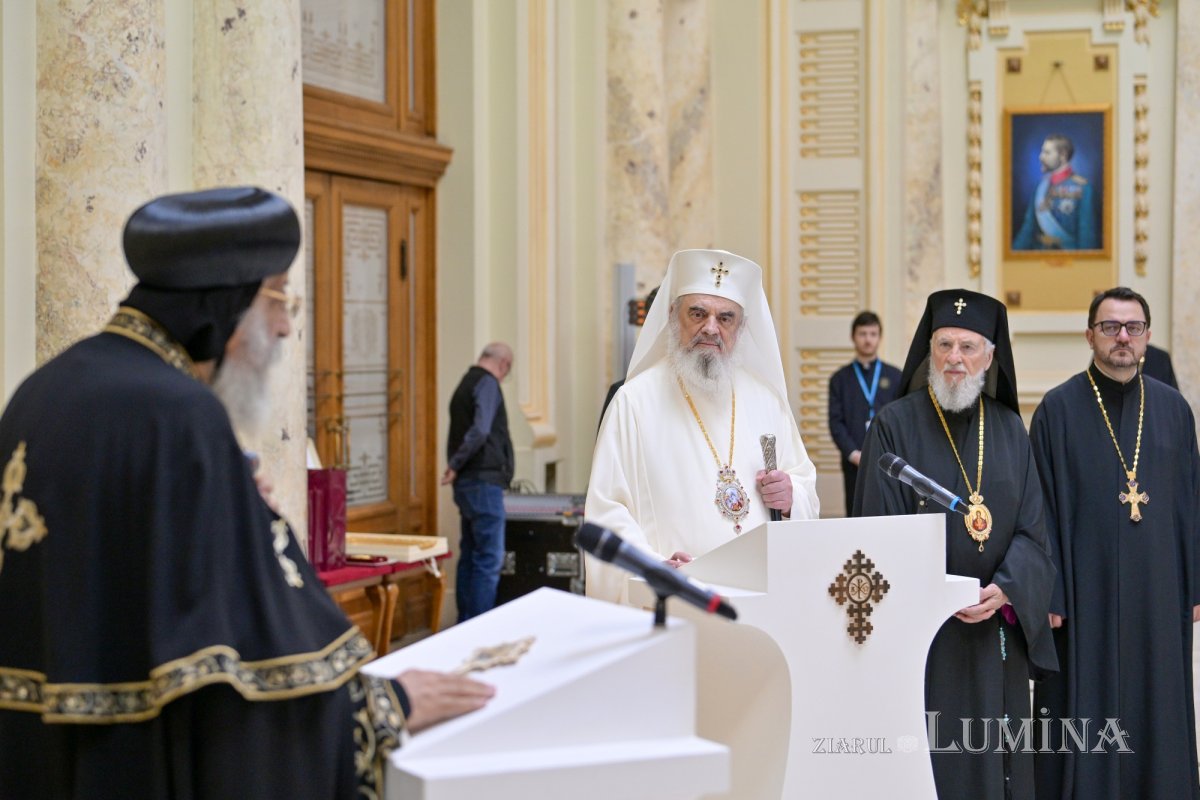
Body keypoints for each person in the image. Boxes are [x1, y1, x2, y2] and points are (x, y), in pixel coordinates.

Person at [0, 187, 493, 800]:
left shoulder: (43, 392)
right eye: (279, 296)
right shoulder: (177, 416)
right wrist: (387, 705)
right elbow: (246, 670)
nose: (286, 326)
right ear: (226, 300)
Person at [852, 289, 1057, 800]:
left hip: (994, 631)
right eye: (944, 345)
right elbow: (877, 530)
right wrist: (936, 592)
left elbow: (1033, 529)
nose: (954, 359)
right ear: (929, 352)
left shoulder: (1009, 429)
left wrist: (1007, 588)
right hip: (923, 635)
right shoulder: (893, 425)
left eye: (968, 347)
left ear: (990, 356)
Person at [1030, 287, 1200, 799]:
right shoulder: (1057, 410)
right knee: (1085, 697)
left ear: (1147, 336)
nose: (1122, 337)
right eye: (1110, 327)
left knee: (1158, 694)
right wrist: (1051, 593)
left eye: (1133, 327)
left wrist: (1194, 584)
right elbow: (1040, 509)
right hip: (1086, 589)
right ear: (1090, 336)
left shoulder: (1173, 410)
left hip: (1159, 588)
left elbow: (1190, 502)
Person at [585, 249, 820, 604]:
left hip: (757, 601)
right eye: (698, 313)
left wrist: (791, 499)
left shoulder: (767, 401)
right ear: (672, 316)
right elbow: (607, 513)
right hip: (672, 599)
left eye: (726, 318)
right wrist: (655, 568)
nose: (711, 328)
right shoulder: (633, 402)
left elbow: (804, 488)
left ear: (741, 327)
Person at [441, 343, 515, 622]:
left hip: (467, 484)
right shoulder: (487, 383)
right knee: (488, 559)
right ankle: (479, 626)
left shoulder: (464, 383)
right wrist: (455, 463)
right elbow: (481, 430)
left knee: (470, 555)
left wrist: (456, 466)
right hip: (484, 482)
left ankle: (465, 623)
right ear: (503, 365)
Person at [827, 311, 902, 515]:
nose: (868, 339)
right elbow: (836, 423)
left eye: (873, 334)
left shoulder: (895, 376)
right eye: (863, 334)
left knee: (889, 514)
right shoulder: (840, 379)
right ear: (853, 337)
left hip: (888, 461)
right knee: (856, 513)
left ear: (879, 337)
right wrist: (854, 454)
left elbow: (901, 421)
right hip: (855, 464)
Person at [1012, 133, 1098, 251]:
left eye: (1047, 153)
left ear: (1063, 155)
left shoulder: (1084, 188)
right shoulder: (1039, 187)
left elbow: (1087, 237)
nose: (1041, 157)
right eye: (1042, 152)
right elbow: (1027, 230)